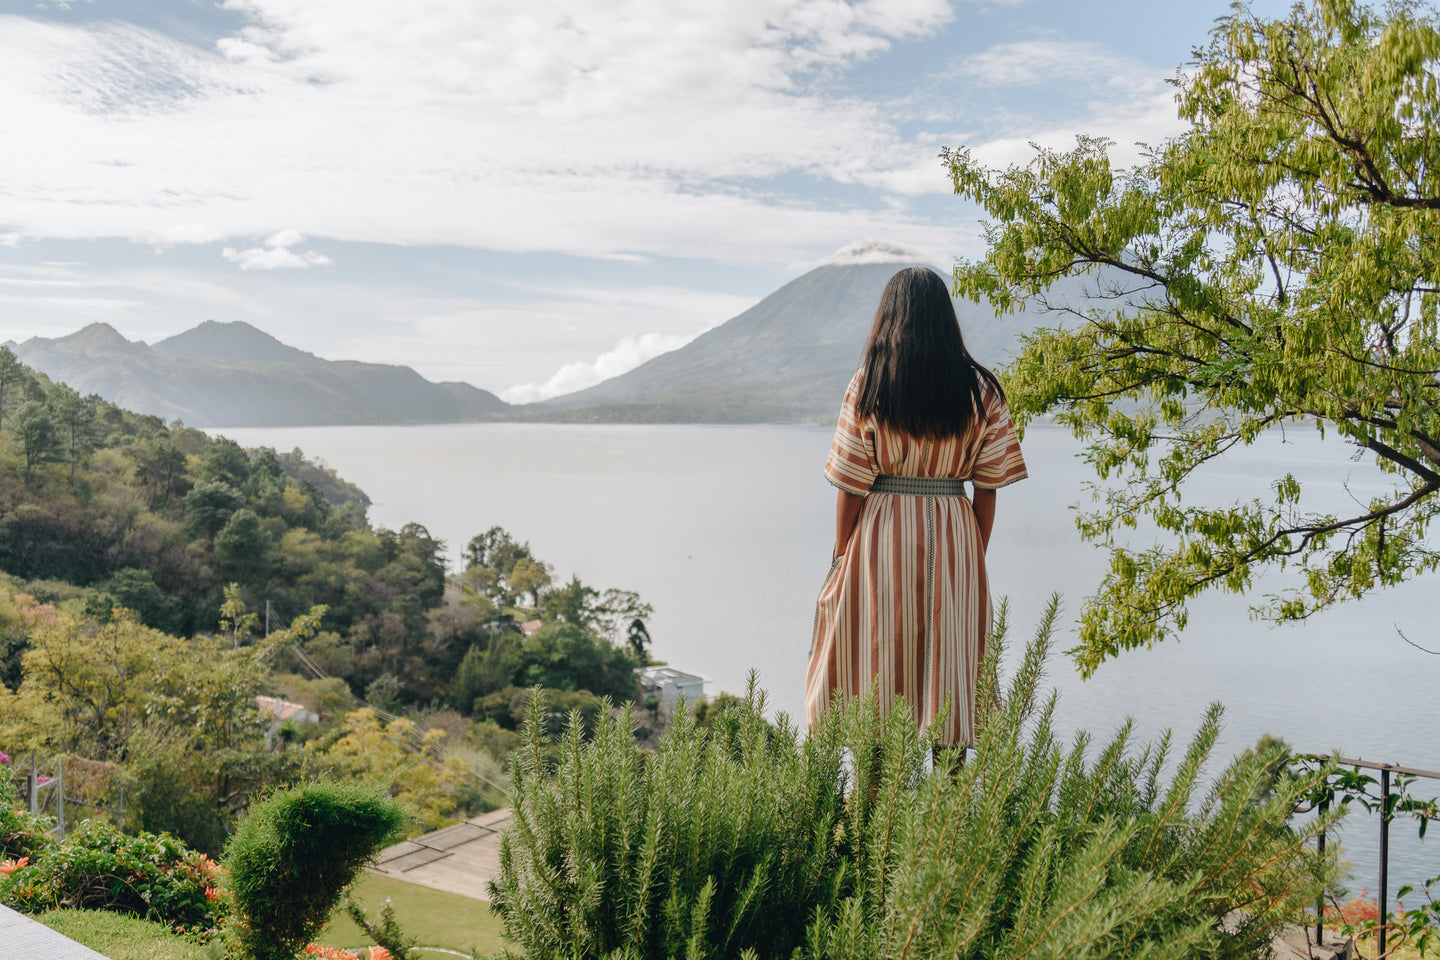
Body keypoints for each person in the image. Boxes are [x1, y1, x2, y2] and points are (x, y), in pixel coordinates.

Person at [805, 266, 1027, 751]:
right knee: (951, 665)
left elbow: (849, 485)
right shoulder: (982, 390)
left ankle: (874, 806)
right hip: (955, 530)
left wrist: (843, 555)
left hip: (881, 533)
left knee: (881, 660)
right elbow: (988, 488)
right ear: (946, 319)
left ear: (890, 318)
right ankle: (942, 812)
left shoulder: (870, 384)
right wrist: (973, 552)